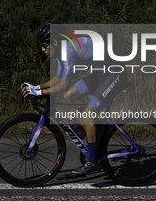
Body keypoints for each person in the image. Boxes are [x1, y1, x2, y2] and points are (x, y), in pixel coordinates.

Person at [21, 22, 128, 175]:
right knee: (70, 96)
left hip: (115, 74)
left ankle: (93, 161)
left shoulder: (67, 50)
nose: (43, 50)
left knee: (87, 115)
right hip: (101, 74)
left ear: (55, 42)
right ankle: (93, 131)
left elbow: (63, 84)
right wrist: (37, 87)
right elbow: (58, 79)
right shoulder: (60, 52)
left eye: (45, 46)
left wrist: (40, 93)